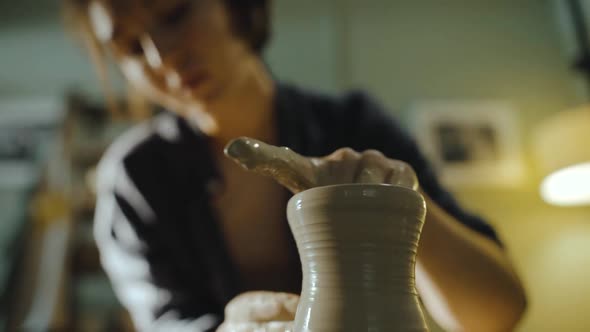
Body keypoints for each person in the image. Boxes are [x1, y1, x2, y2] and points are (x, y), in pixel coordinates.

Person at [63, 0, 527, 331]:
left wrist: (401, 204)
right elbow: (166, 322)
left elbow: (496, 315)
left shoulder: (352, 124)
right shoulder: (136, 179)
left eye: (174, 13)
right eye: (129, 47)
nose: (162, 58)